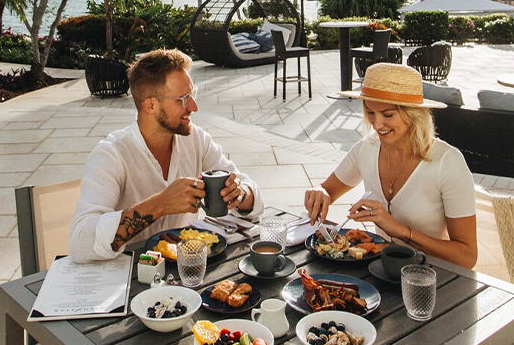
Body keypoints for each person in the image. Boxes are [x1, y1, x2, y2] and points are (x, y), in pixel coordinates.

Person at [70, 49, 264, 263]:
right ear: (150, 105)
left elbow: (254, 202)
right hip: (131, 274)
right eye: (183, 99)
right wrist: (160, 204)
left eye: (192, 95)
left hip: (190, 270)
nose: (194, 107)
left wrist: (240, 194)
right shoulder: (111, 154)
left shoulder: (197, 139)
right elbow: (81, 243)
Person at [304, 63, 477, 269]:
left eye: (388, 115)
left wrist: (400, 230)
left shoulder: (447, 162)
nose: (377, 125)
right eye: (370, 112)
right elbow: (327, 190)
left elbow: (467, 257)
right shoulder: (366, 149)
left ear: (413, 114)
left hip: (430, 275)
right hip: (381, 269)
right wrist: (319, 191)